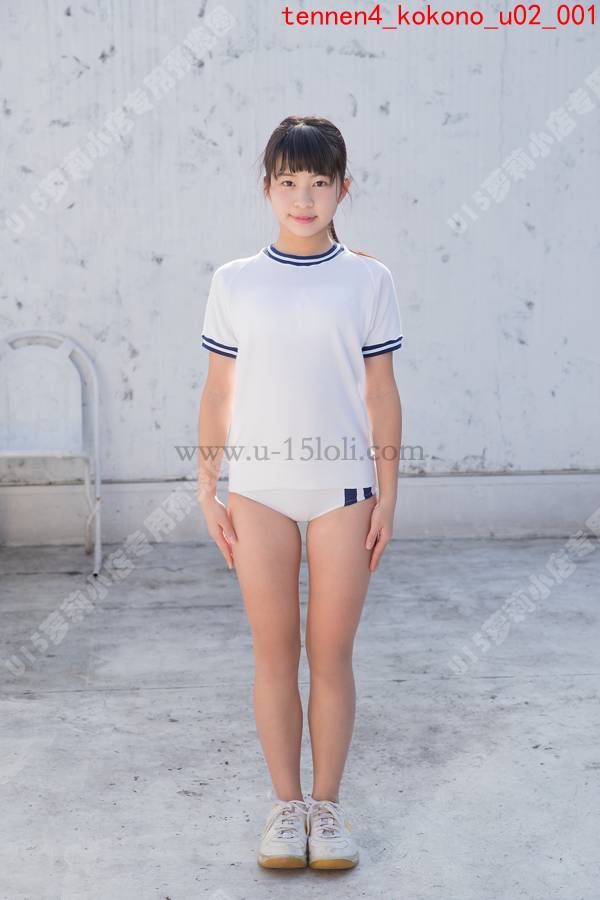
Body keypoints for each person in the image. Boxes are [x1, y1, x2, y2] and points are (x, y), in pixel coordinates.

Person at [196, 115, 404, 870]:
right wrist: (207, 487)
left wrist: (388, 494)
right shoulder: (235, 281)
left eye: (320, 182)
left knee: (331, 654)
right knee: (274, 653)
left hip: (343, 494)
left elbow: (381, 392)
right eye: (289, 182)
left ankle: (329, 807)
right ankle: (286, 810)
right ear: (267, 188)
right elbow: (219, 391)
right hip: (258, 493)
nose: (304, 198)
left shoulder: (369, 280)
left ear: (344, 188)